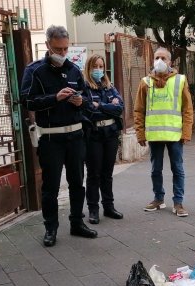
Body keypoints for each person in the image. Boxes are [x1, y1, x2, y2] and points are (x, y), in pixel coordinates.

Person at [20, 25, 97, 246]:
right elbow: (26, 101)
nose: (62, 53)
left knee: (77, 183)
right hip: (51, 138)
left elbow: (88, 101)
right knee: (50, 186)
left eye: (65, 49)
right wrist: (55, 97)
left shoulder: (74, 70)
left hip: (75, 136)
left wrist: (81, 101)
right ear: (47, 45)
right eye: (58, 49)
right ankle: (50, 228)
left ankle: (77, 223)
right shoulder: (34, 71)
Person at [134, 47, 194, 217]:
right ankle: (158, 199)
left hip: (175, 135)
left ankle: (178, 203)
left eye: (163, 58)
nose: (159, 61)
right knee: (155, 169)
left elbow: (188, 109)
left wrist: (186, 132)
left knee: (178, 169)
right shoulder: (145, 82)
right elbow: (138, 110)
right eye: (156, 57)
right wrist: (140, 133)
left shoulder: (180, 80)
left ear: (170, 62)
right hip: (154, 135)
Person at [81, 54, 125, 225]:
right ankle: (93, 209)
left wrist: (102, 106)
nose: (98, 70)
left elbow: (119, 108)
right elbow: (89, 111)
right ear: (89, 68)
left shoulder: (109, 87)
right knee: (94, 174)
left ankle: (109, 206)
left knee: (107, 173)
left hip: (111, 134)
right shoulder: (84, 88)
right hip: (94, 135)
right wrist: (108, 107)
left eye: (101, 66)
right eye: (95, 66)